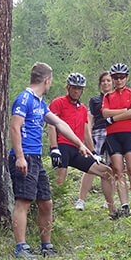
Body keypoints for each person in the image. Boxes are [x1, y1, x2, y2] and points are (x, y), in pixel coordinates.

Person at [9, 62, 95, 259]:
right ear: (46, 80)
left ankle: (46, 245)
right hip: (24, 156)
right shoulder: (24, 99)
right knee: (23, 201)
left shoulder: (39, 103)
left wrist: (80, 144)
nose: (50, 85)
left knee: (46, 202)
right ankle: (20, 248)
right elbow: (15, 127)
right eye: (51, 81)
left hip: (36, 158)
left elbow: (59, 123)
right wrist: (20, 157)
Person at [47, 73, 117, 217]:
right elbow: (52, 126)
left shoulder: (83, 108)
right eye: (74, 88)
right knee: (59, 181)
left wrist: (93, 152)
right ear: (68, 87)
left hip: (78, 149)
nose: (76, 91)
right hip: (62, 146)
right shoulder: (58, 102)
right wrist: (54, 148)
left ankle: (113, 210)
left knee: (107, 171)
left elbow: (86, 132)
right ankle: (52, 218)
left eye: (79, 88)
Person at [101, 63, 131, 218]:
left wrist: (114, 118)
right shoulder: (107, 96)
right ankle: (125, 205)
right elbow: (105, 113)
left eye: (122, 77)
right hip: (112, 136)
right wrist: (123, 111)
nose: (119, 80)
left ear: (126, 78)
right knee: (118, 171)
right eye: (116, 78)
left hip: (129, 134)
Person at [80, 71, 122, 210]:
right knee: (92, 165)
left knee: (113, 166)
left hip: (114, 131)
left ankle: (109, 200)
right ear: (100, 83)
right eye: (103, 81)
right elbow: (89, 119)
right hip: (98, 132)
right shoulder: (95, 100)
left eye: (109, 81)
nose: (106, 83)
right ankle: (81, 199)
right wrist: (88, 136)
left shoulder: (117, 98)